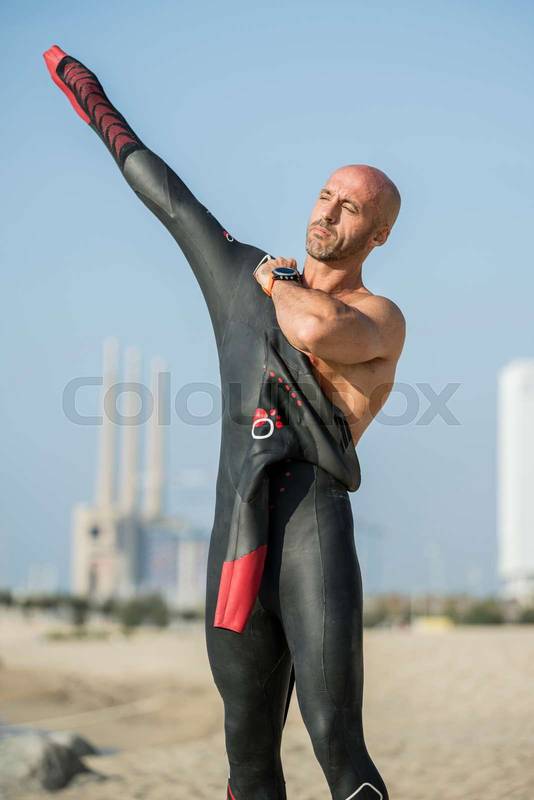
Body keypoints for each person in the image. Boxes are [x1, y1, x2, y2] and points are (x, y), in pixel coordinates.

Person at [43, 44, 405, 800]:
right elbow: (164, 193)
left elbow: (311, 331)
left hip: (313, 523)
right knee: (246, 758)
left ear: (379, 235)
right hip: (234, 532)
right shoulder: (241, 275)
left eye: (351, 208)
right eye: (324, 196)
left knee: (338, 742)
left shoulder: (378, 317)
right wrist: (87, 91)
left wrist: (273, 279)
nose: (327, 212)